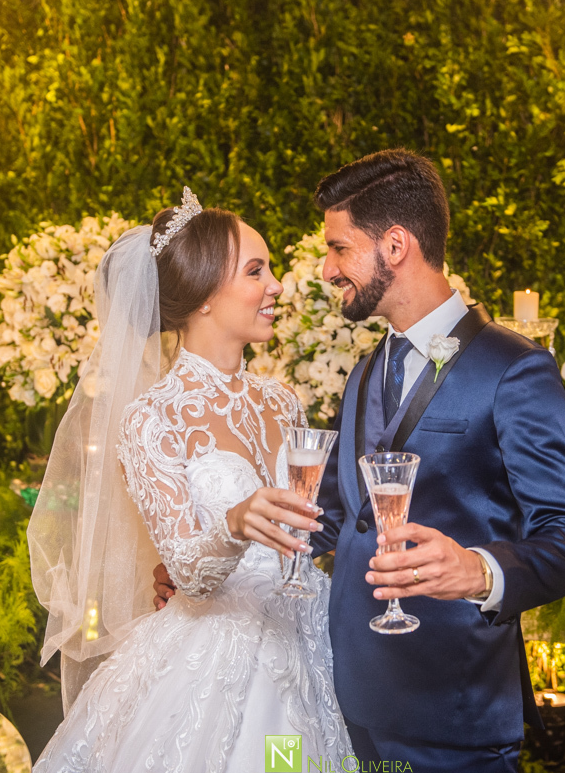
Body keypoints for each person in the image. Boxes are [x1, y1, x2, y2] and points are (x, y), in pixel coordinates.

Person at [156, 150, 565, 772]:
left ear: (395, 245)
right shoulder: (366, 373)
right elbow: (332, 518)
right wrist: (210, 560)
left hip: (453, 709)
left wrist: (478, 570)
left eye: (339, 249)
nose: (327, 269)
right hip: (344, 698)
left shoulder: (515, 368)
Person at [30, 189, 353, 772]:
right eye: (256, 271)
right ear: (204, 294)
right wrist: (234, 525)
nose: (278, 286)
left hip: (307, 640)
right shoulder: (152, 418)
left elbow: (312, 529)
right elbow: (189, 573)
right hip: (210, 660)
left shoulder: (283, 402)